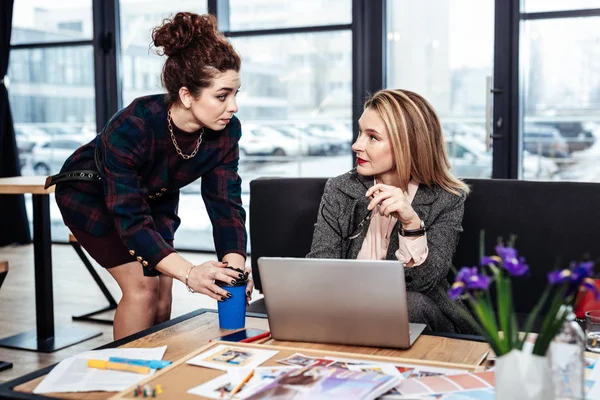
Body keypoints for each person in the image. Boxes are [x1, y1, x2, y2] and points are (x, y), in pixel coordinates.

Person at [45, 12, 253, 340]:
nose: (234, 107)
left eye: (236, 93)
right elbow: (130, 221)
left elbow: (225, 205)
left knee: (162, 294)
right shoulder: (133, 126)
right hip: (92, 195)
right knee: (144, 286)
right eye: (223, 95)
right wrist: (190, 273)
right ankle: (123, 381)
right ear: (187, 95)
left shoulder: (226, 131)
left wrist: (235, 266)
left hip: (154, 198)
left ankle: (154, 370)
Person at [307, 89, 479, 334]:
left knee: (410, 304)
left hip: (420, 320)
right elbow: (319, 268)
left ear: (408, 145)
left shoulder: (446, 198)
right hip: (351, 316)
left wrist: (411, 224)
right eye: (359, 133)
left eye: (373, 137)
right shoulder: (340, 189)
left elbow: (425, 283)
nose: (357, 145)